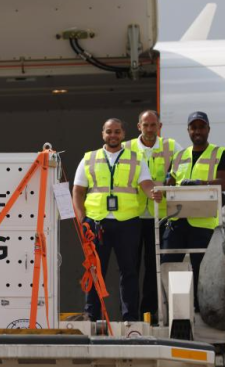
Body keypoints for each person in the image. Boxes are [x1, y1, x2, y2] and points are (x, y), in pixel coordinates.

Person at [73, 118, 162, 321]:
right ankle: (91, 314)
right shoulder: (89, 158)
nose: (113, 135)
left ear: (123, 134)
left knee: (129, 272)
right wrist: (82, 219)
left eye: (117, 132)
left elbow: (146, 183)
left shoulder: (135, 158)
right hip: (96, 223)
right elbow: (78, 191)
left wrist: (153, 193)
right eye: (109, 132)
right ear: (102, 134)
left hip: (127, 222)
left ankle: (129, 317)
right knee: (95, 271)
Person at [164, 111, 225, 310]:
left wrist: (200, 183)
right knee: (167, 263)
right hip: (177, 220)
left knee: (202, 269)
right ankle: (172, 308)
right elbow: (170, 181)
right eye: (194, 127)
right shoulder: (179, 155)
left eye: (201, 127)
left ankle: (201, 310)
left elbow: (223, 183)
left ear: (208, 129)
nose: (198, 131)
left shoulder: (219, 153)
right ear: (188, 131)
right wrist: (167, 183)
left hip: (203, 221)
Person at [123, 110, 182, 322]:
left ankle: (148, 315)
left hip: (161, 217)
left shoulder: (172, 147)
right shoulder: (125, 148)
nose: (149, 129)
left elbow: (182, 174)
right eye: (145, 125)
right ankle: (129, 316)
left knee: (154, 269)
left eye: (153, 125)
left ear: (160, 126)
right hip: (131, 217)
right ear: (138, 126)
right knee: (130, 268)